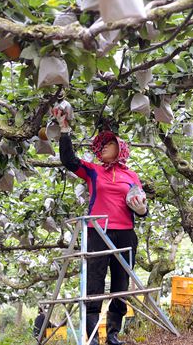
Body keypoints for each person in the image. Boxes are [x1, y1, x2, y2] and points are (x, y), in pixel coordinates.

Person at [52, 107, 148, 345]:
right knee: (94, 281)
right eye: (101, 144)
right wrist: (65, 130)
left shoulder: (132, 176)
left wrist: (142, 210)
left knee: (121, 283)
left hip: (125, 233)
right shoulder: (93, 172)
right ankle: (92, 335)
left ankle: (113, 333)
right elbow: (69, 160)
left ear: (120, 148)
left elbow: (141, 204)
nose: (103, 147)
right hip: (97, 231)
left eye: (109, 143)